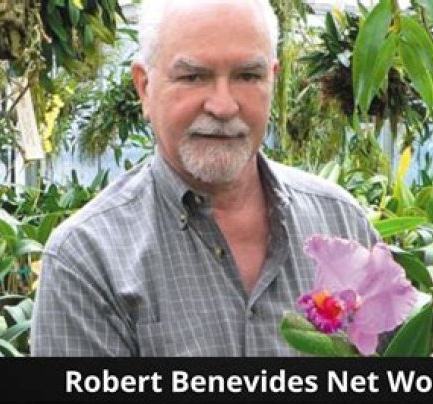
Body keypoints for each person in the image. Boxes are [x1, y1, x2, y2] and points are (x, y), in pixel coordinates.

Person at [31, 0, 379, 356]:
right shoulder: (88, 258)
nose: (223, 106)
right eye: (193, 77)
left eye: (248, 76)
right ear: (144, 88)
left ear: (272, 80)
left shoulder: (342, 224)